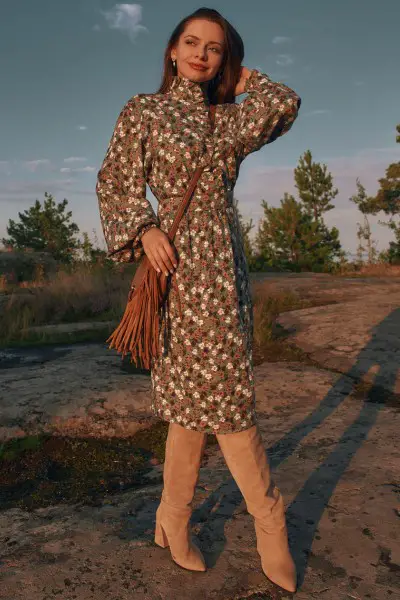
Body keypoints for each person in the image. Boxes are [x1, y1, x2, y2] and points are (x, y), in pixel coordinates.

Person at [96, 7, 301, 594]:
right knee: (190, 398)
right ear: (171, 49)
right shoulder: (145, 110)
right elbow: (115, 178)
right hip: (174, 270)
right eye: (191, 42)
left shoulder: (228, 120)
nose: (200, 54)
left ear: (222, 61)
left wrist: (242, 79)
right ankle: (176, 518)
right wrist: (145, 229)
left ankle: (268, 525)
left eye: (214, 48)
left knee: (229, 397)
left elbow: (284, 103)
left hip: (223, 269)